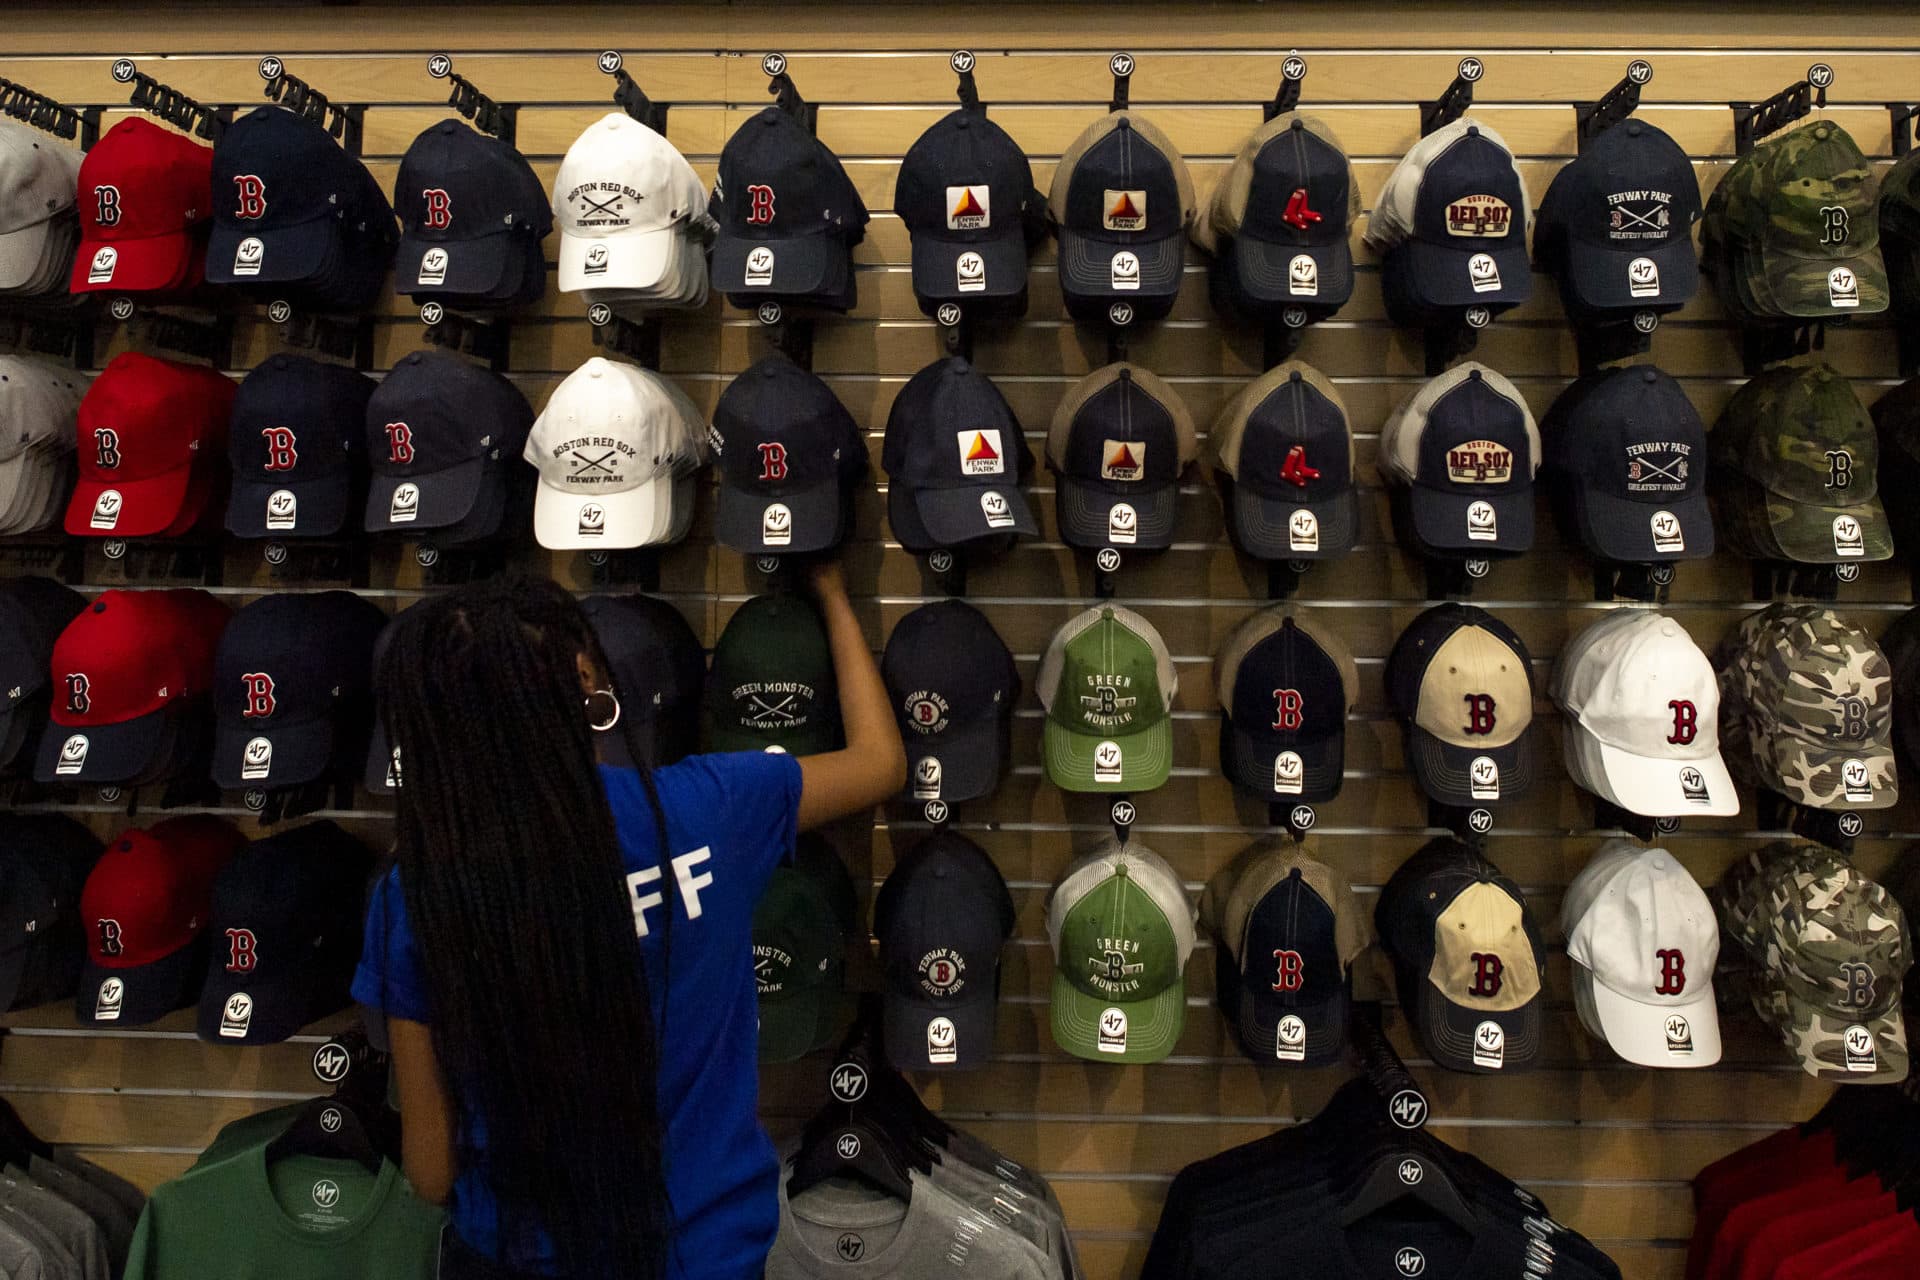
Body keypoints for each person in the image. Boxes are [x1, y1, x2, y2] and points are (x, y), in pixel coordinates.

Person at [350, 564, 907, 1280]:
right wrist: (832, 591)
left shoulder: (415, 896)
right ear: (586, 688)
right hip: (701, 1255)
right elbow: (880, 762)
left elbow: (431, 1170)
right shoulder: (708, 810)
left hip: (512, 1257)